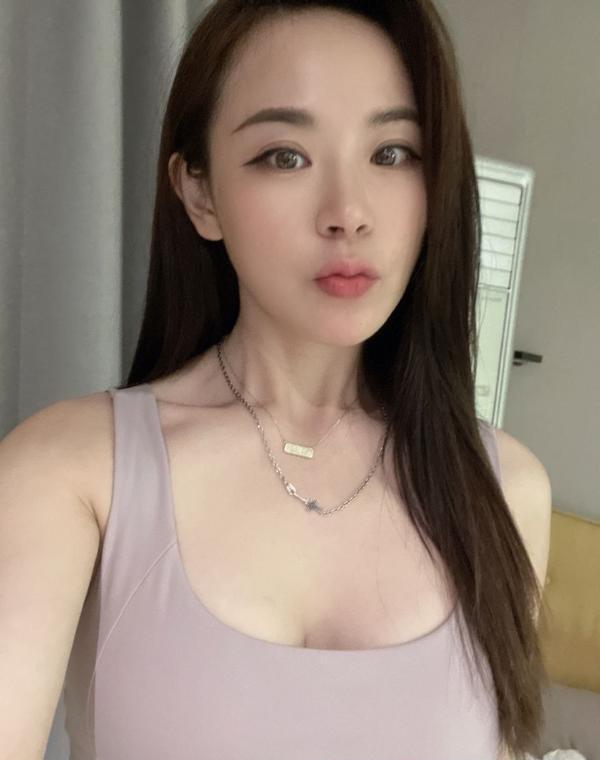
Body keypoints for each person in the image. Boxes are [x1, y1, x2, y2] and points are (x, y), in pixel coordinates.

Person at [0, 1, 552, 759]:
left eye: (393, 153)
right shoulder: (71, 470)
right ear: (200, 194)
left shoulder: (506, 490)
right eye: (285, 156)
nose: (348, 212)